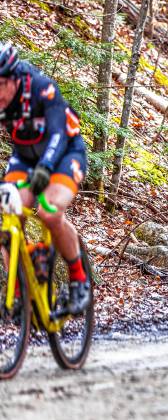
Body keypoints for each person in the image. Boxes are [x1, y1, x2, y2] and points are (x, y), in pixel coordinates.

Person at [0, 42, 90, 314]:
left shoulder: (41, 87)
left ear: (14, 80)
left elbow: (58, 133)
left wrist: (47, 167)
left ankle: (79, 281)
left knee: (48, 212)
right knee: (8, 220)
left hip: (65, 152)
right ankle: (20, 288)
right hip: (25, 158)